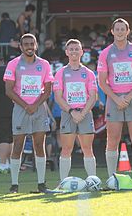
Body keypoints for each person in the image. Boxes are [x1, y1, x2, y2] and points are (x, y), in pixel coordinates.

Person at [97, 18, 132, 189]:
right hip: (113, 99)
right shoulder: (105, 53)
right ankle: (111, 180)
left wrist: (128, 97)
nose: (119, 32)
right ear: (112, 32)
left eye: (122, 29)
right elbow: (102, 82)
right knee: (112, 139)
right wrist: (116, 98)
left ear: (128, 31)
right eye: (116, 29)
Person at [3, 33, 54, 193]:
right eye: (26, 44)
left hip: (39, 108)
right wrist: (26, 106)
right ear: (20, 46)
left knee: (39, 145)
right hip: (20, 108)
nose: (29, 46)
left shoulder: (44, 64)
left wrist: (35, 105)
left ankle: (41, 184)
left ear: (36, 45)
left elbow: (47, 91)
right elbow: (8, 91)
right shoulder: (13, 64)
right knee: (18, 145)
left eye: (32, 43)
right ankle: (14, 185)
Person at [53, 39, 97, 181]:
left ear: (82, 52)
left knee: (87, 149)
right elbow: (58, 97)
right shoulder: (60, 73)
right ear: (66, 52)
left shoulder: (89, 73)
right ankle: (63, 183)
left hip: (85, 114)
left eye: (76, 49)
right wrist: (72, 112)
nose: (74, 51)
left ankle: (92, 181)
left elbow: (93, 96)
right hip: (68, 114)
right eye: (71, 49)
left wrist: (82, 113)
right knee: (66, 150)